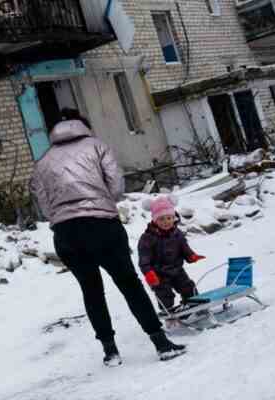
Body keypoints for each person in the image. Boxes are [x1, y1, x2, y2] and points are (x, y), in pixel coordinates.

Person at [30, 109, 187, 366]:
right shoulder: (97, 146)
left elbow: (45, 206)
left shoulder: (44, 161)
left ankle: (110, 352)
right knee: (129, 284)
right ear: (83, 125)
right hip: (102, 227)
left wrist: (65, 215)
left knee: (91, 291)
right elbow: (115, 187)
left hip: (66, 234)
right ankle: (160, 343)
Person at [138, 196, 206, 313]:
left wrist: (191, 256)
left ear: (173, 218)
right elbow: (144, 259)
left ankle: (194, 307)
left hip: (177, 270)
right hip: (158, 274)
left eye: (169, 218)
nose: (166, 222)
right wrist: (149, 273)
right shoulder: (147, 238)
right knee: (165, 295)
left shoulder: (177, 233)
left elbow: (184, 248)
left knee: (188, 287)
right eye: (161, 219)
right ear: (155, 220)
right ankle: (168, 314)